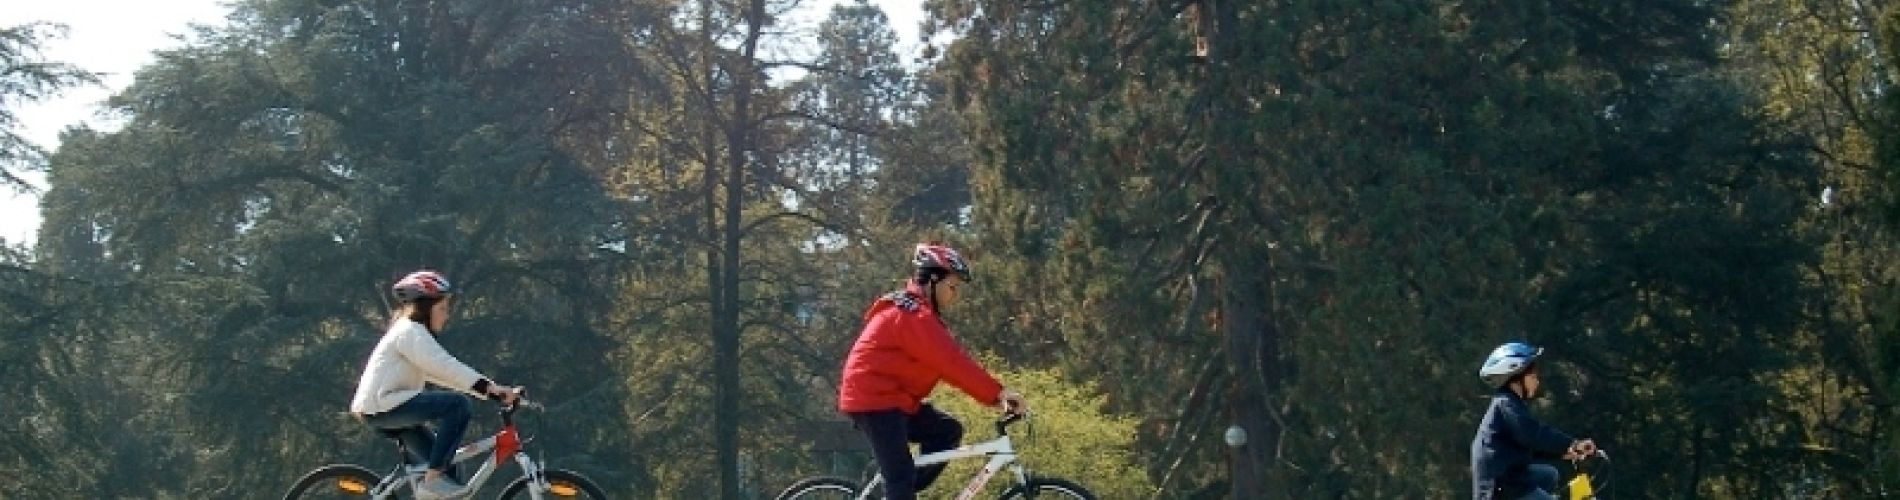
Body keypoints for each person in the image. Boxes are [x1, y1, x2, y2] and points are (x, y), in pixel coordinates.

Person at [837, 243, 1028, 500]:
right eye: (952, 287)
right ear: (932, 281)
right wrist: (999, 394)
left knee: (946, 431)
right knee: (901, 478)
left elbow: (949, 365)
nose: (955, 295)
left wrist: (995, 396)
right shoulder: (913, 317)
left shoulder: (919, 314)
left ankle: (893, 486)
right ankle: (896, 485)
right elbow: (951, 362)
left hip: (896, 401)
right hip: (874, 401)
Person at [350, 270, 520, 499]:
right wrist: (490, 388)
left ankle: (435, 479)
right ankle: (433, 480)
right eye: (442, 309)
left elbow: (441, 374)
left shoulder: (413, 333)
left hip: (387, 408)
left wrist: (489, 390)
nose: (446, 316)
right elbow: (444, 366)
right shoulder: (410, 332)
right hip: (382, 407)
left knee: (450, 470)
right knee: (458, 406)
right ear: (424, 308)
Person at [1471, 342, 1599, 500]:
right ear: (1516, 379)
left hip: (1509, 476)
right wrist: (1571, 444)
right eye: (1533, 376)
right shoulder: (1506, 404)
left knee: (1549, 475)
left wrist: (1565, 452)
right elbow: (1533, 434)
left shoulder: (1510, 403)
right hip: (1500, 488)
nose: (1537, 382)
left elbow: (1529, 446)